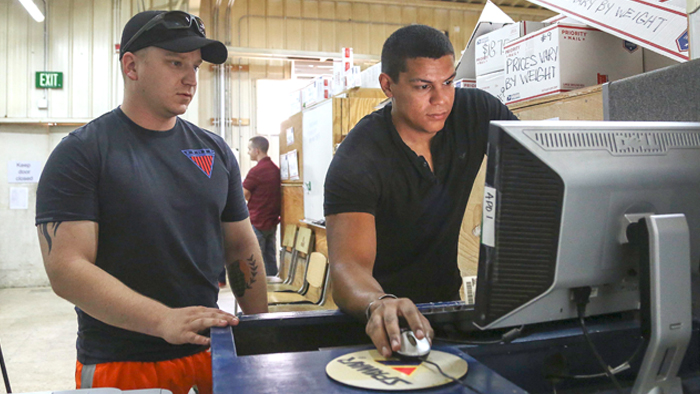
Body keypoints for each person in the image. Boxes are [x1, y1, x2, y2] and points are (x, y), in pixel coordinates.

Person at [35, 10, 268, 394]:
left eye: (195, 66)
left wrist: (262, 335)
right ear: (131, 66)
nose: (190, 79)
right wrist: (162, 320)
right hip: (122, 363)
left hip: (209, 352)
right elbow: (67, 268)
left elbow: (241, 248)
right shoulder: (82, 153)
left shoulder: (215, 151)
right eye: (175, 63)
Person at [324, 25, 518, 358]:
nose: (440, 99)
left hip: (449, 311)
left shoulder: (477, 113)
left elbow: (538, 171)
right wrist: (381, 304)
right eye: (423, 86)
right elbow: (347, 268)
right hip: (380, 328)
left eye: (448, 82)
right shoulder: (357, 159)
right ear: (388, 86)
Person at [242, 136, 282, 277]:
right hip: (271, 222)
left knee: (255, 261)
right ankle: (272, 292)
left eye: (249, 149)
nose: (248, 152)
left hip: (257, 221)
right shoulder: (275, 169)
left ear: (256, 150)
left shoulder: (257, 171)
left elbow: (243, 194)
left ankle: (257, 293)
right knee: (270, 259)